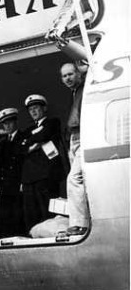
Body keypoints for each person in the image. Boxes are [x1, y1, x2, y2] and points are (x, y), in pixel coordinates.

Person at [20, 94, 64, 233]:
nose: (33, 112)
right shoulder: (27, 130)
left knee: (48, 213)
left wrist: (30, 142)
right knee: (32, 215)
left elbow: (44, 135)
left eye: (36, 108)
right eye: (30, 109)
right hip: (29, 178)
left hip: (47, 175)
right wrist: (34, 143)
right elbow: (19, 148)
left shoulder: (52, 122)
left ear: (44, 108)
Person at [60, 62, 90, 236]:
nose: (68, 78)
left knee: (74, 179)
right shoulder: (73, 93)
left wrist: (85, 69)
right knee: (78, 180)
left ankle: (80, 224)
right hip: (74, 138)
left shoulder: (84, 86)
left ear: (79, 74)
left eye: (70, 74)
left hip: (83, 135)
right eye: (64, 76)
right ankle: (81, 222)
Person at [0, 107, 26, 238]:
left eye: (10, 122)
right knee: (2, 216)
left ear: (15, 122)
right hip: (4, 185)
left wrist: (23, 181)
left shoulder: (23, 137)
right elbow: (0, 165)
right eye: (4, 123)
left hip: (17, 183)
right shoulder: (4, 142)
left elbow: (24, 162)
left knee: (17, 214)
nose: (7, 125)